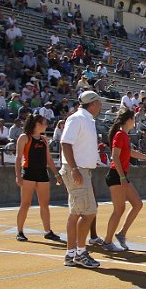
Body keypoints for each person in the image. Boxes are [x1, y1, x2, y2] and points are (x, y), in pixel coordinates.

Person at [101, 109, 146, 252]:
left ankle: (121, 234)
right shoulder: (119, 135)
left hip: (121, 175)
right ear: (128, 120)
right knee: (119, 209)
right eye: (133, 119)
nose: (134, 122)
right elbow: (115, 156)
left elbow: (130, 153)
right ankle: (107, 241)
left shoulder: (124, 136)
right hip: (116, 175)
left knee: (137, 204)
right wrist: (122, 176)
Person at [59, 91, 102, 268]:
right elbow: (65, 143)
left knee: (76, 213)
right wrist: (75, 169)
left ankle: (71, 253)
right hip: (77, 170)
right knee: (89, 212)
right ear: (92, 104)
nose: (100, 106)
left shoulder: (86, 119)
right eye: (98, 102)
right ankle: (80, 252)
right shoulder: (78, 119)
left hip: (81, 169)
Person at [14, 114, 63, 242]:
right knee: (25, 204)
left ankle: (48, 231)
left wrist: (56, 174)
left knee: (44, 204)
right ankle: (19, 231)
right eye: (44, 123)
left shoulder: (44, 139)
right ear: (37, 124)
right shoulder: (24, 137)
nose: (46, 126)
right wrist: (18, 176)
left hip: (42, 173)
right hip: (29, 173)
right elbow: (18, 158)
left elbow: (49, 158)